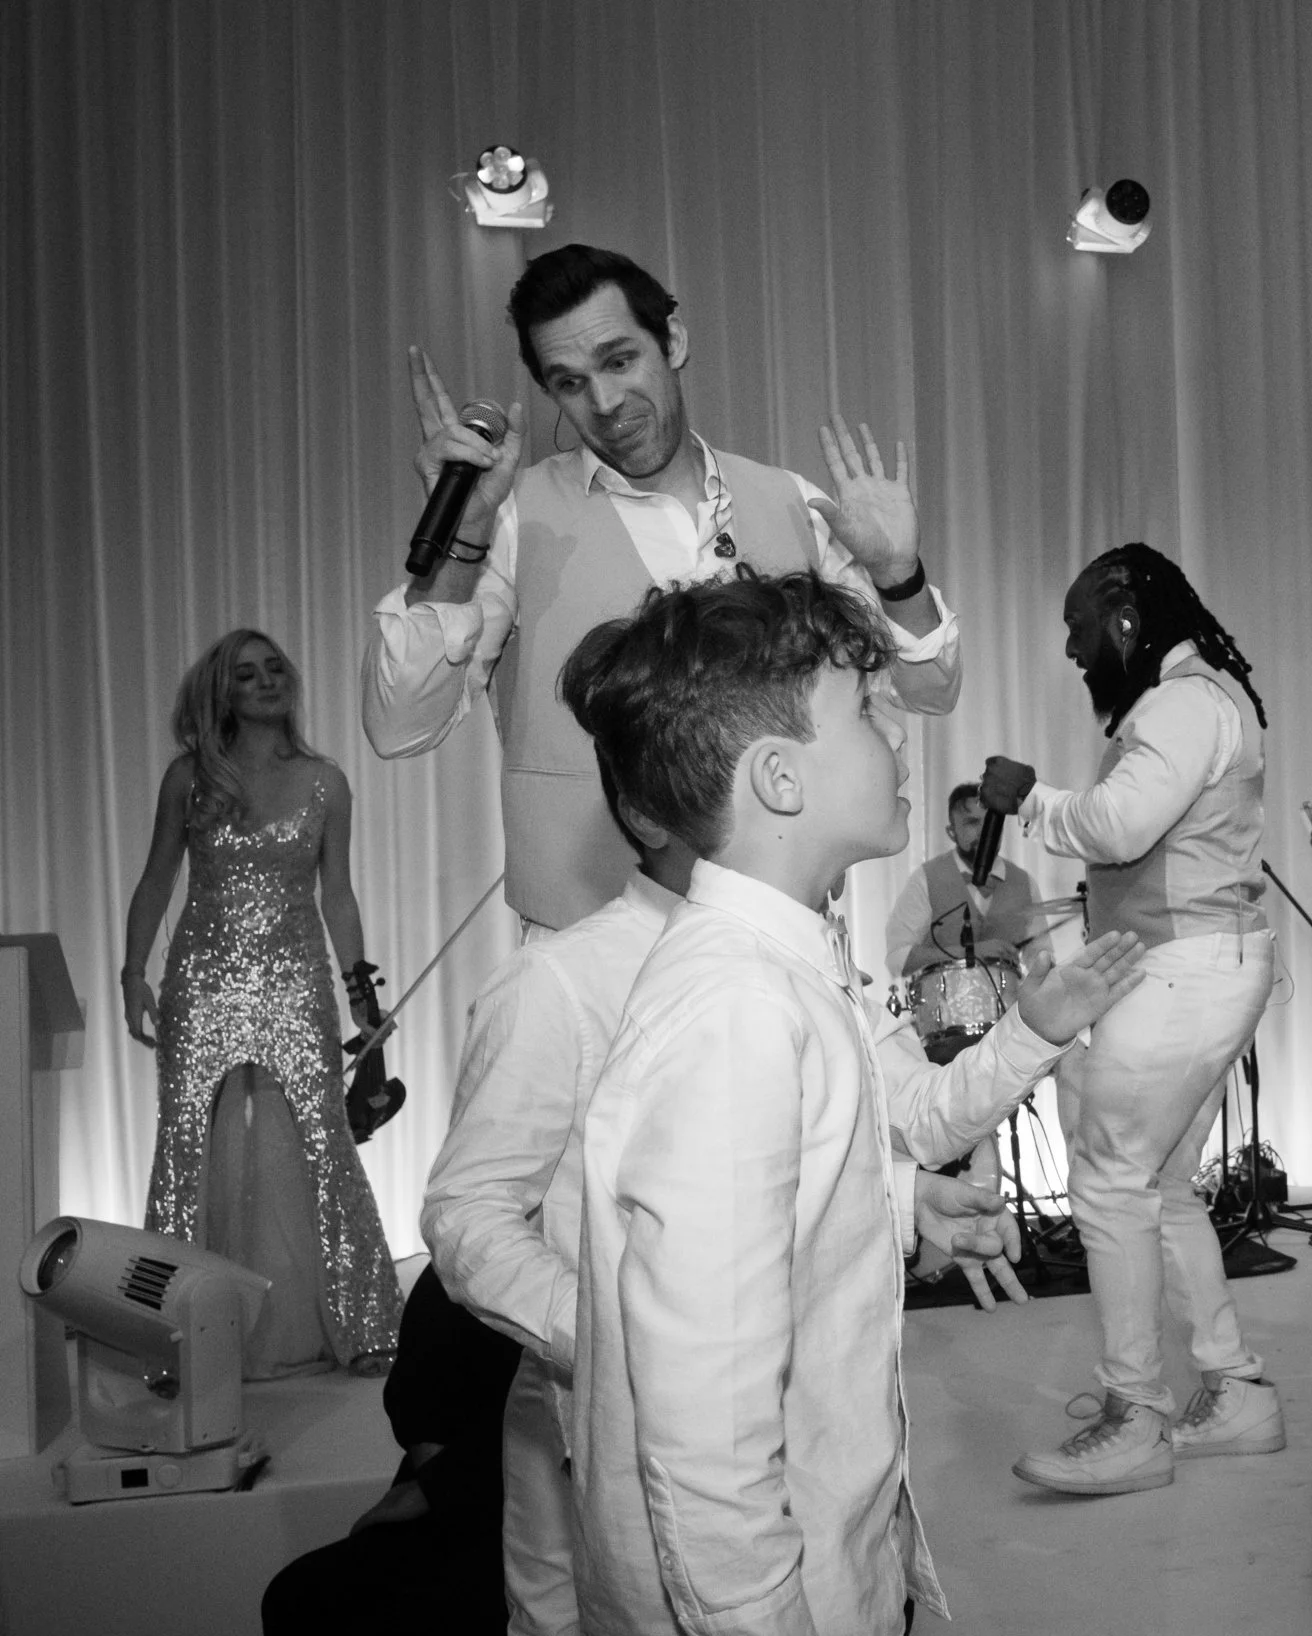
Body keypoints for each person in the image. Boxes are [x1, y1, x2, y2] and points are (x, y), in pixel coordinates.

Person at [424, 738, 1144, 1636]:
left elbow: (909, 1119)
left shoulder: (805, 953)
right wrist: (612, 1333)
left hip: (812, 1443)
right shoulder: (561, 980)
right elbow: (467, 1211)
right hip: (596, 1438)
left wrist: (920, 1169)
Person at [363, 243, 963, 935]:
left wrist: (898, 578)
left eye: (619, 361)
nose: (606, 402)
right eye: (570, 383)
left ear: (673, 338)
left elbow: (930, 692)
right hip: (591, 947)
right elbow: (397, 728)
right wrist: (463, 536)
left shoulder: (790, 501)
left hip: (773, 936)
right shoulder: (514, 518)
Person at [979, 544, 1284, 1496]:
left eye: (1077, 631)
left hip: (1189, 971)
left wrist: (1028, 798)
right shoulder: (1193, 698)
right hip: (1196, 962)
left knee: (1110, 1177)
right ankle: (1235, 1391)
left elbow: (1119, 826)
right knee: (1162, 1186)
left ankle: (1134, 1418)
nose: (1074, 654)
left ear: (1121, 618)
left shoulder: (1184, 702)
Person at [122, 628, 400, 1379]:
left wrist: (361, 996)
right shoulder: (191, 779)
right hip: (204, 979)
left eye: (275, 667)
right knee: (183, 1146)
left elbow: (335, 895)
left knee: (324, 1136)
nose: (268, 680)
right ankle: (168, 1336)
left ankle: (365, 1322)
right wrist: (130, 970)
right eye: (248, 674)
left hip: (293, 977)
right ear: (224, 693)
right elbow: (156, 879)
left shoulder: (325, 782)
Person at [260, 1266, 519, 1636]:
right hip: (464, 1492)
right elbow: (415, 1394)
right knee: (300, 1599)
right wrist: (438, 1484)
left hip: (531, 1509)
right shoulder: (465, 1259)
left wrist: (445, 1484)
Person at [884, 782, 1044, 979]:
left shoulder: (1025, 883)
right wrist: (970, 953)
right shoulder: (926, 879)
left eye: (991, 823)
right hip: (944, 1006)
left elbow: (1042, 957)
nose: (985, 832)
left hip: (1011, 1007)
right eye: (972, 823)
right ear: (951, 832)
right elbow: (898, 960)